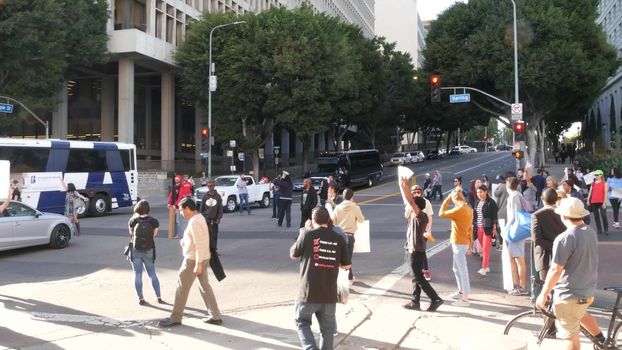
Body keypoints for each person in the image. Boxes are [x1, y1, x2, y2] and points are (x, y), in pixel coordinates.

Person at [536, 197, 600, 350]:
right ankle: (602, 340)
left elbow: (556, 269)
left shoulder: (564, 238)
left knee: (569, 335)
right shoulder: (590, 232)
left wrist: (544, 293)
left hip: (569, 294)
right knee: (580, 314)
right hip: (587, 289)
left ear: (563, 216)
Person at [290, 207, 351, 350]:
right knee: (327, 331)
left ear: (313, 220)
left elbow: (293, 254)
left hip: (308, 293)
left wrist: (304, 232)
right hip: (329, 294)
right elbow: (347, 265)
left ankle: (311, 348)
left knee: (301, 322)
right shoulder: (339, 238)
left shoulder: (307, 234)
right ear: (329, 220)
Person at [158, 198, 222, 328]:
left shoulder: (194, 222)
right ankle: (215, 315)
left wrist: (198, 264)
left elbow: (200, 244)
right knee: (204, 286)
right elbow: (199, 241)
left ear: (187, 208)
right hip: (201, 258)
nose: (181, 213)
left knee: (182, 287)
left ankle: (175, 318)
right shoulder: (199, 218)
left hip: (193, 260)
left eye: (182, 210)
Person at [399, 177, 443, 312]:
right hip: (412, 248)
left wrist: (404, 186)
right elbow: (410, 202)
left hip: (416, 250)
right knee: (415, 276)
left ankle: (435, 298)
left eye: (414, 204)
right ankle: (415, 301)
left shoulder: (420, 216)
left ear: (417, 206)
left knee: (418, 277)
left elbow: (410, 200)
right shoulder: (416, 214)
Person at [438, 188, 473, 307]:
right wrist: (470, 244)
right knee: (457, 268)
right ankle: (461, 291)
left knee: (462, 270)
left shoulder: (458, 210)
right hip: (462, 242)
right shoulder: (468, 209)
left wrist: (447, 199)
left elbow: (441, 213)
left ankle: (465, 299)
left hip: (458, 243)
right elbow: (470, 229)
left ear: (454, 199)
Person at [127, 200, 164, 306]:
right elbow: (154, 234)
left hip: (136, 250)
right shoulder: (153, 221)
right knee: (152, 273)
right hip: (149, 249)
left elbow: (131, 233)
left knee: (137, 274)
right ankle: (158, 296)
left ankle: (141, 298)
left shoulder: (133, 221)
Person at [531, 189, 565, 284]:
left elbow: (536, 239)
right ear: (556, 199)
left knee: (546, 285)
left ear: (542, 199)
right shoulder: (563, 214)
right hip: (562, 254)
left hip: (544, 256)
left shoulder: (537, 215)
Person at [331, 188, 364, 284]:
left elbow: (333, 221)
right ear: (352, 197)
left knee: (339, 257)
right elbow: (361, 220)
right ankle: (348, 277)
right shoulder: (355, 207)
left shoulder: (338, 207)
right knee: (348, 258)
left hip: (339, 235)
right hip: (349, 236)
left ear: (343, 196)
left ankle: (344, 276)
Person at [503, 177, 529, 296]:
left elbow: (513, 216)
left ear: (507, 186)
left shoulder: (512, 197)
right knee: (516, 258)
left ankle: (521, 287)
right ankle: (518, 285)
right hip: (519, 230)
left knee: (518, 259)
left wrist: (505, 229)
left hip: (514, 231)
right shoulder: (519, 194)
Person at [199, 179, 226, 282]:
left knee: (214, 235)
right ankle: (208, 249)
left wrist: (219, 218)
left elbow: (220, 208)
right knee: (206, 235)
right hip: (206, 219)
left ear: (214, 186)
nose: (209, 187)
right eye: (208, 186)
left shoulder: (217, 196)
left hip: (214, 220)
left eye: (211, 186)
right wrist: (200, 217)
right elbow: (201, 208)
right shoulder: (205, 196)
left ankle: (214, 249)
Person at [472, 185, 498, 276]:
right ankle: (486, 266)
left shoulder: (491, 202)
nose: (479, 194)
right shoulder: (477, 202)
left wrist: (494, 228)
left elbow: (495, 216)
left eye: (481, 192)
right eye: (478, 192)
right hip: (478, 228)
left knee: (486, 249)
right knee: (483, 248)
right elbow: (475, 215)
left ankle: (484, 268)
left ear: (486, 192)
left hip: (487, 228)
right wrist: (473, 224)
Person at [411, 184, 434, 281]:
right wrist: (410, 206)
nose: (416, 194)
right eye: (414, 192)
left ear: (421, 192)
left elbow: (430, 217)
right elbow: (406, 216)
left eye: (418, 192)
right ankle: (416, 271)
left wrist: (429, 230)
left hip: (423, 231)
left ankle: (426, 270)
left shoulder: (426, 202)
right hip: (412, 231)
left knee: (422, 251)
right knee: (413, 252)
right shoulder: (410, 203)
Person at [168, 175, 193, 239]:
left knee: (178, 221)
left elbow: (180, 197)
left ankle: (179, 234)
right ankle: (174, 233)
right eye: (175, 179)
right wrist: (169, 203)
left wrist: (175, 205)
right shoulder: (174, 186)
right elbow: (171, 195)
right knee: (174, 221)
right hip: (173, 207)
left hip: (178, 206)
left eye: (177, 179)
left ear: (180, 180)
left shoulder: (181, 187)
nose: (176, 180)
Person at [586, 169, 609, 235]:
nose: (596, 176)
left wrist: (604, 202)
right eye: (595, 175)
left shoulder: (605, 183)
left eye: (597, 175)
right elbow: (590, 192)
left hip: (601, 202)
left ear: (601, 175)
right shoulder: (593, 183)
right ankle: (599, 229)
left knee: (603, 215)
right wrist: (588, 200)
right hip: (594, 201)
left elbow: (605, 193)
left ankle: (606, 229)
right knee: (596, 216)